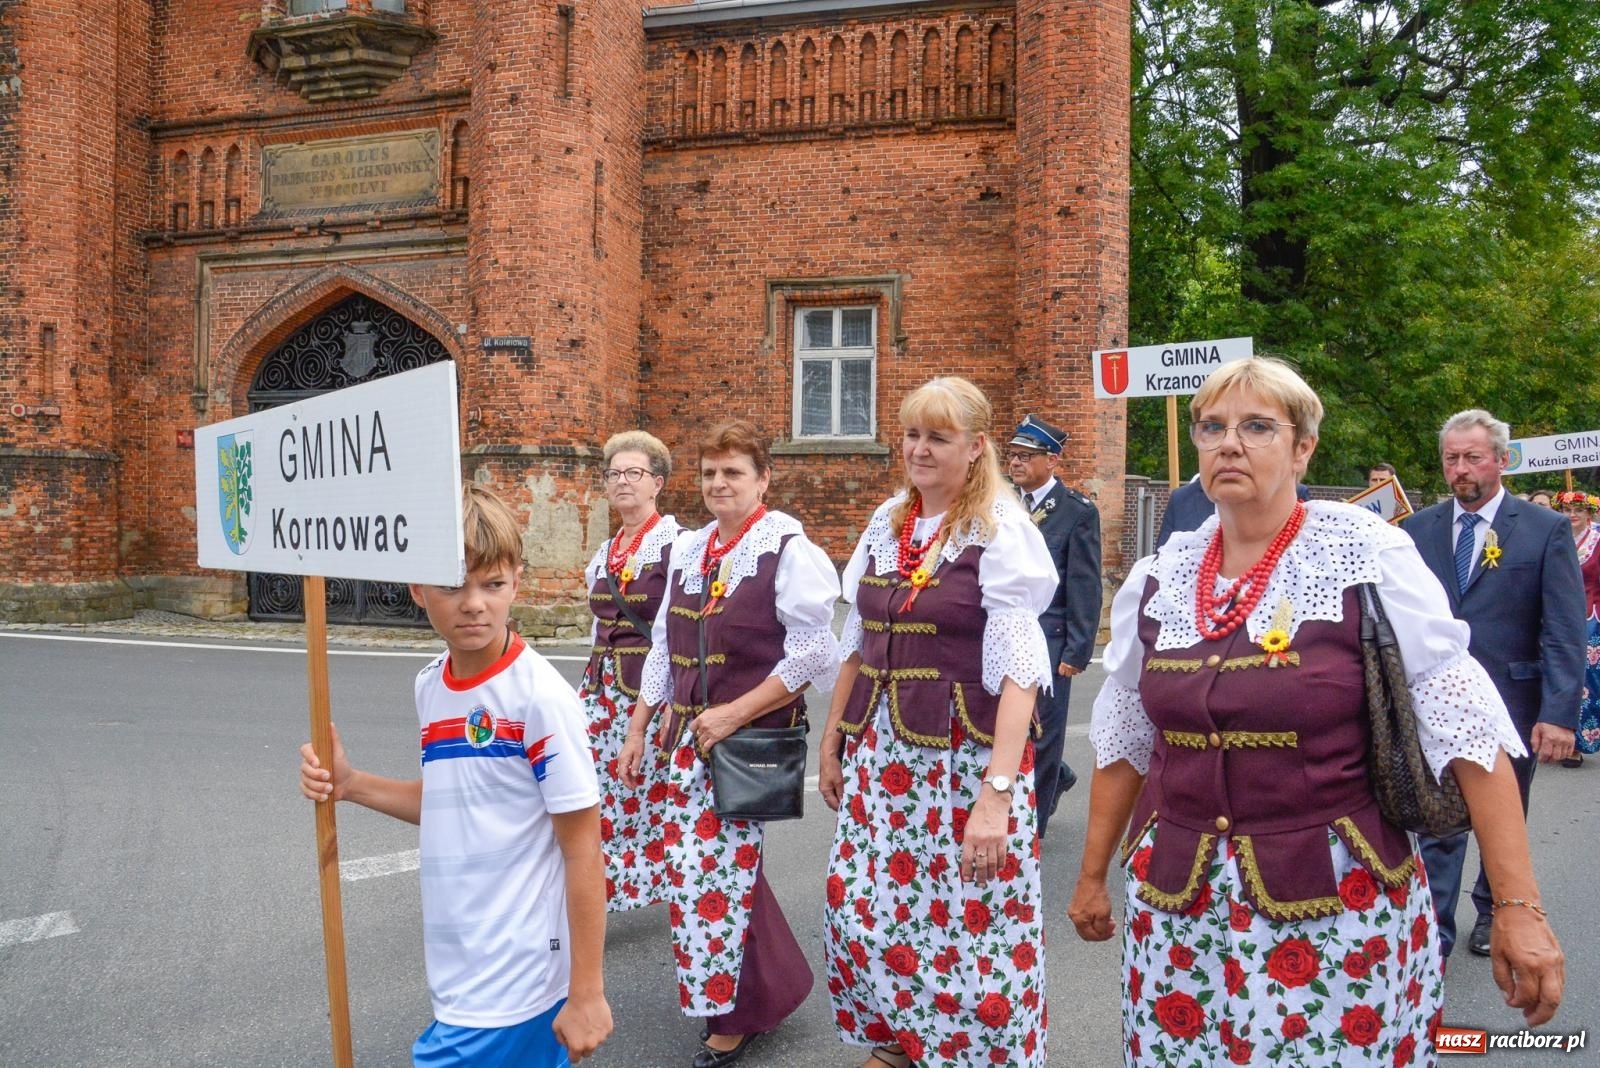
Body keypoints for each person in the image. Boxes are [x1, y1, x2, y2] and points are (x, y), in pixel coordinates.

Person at [1069, 360, 1565, 1067]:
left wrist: (1518, 908)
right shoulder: (1162, 575)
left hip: (1338, 905)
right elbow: (1124, 740)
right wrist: (1090, 878)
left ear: (1303, 448)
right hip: (1181, 910)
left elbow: (1471, 732)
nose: (1229, 444)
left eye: (1258, 427)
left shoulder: (1361, 552)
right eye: (1212, 427)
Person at [299, 484, 612, 1067]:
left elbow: (582, 848)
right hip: (458, 962)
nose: (474, 603)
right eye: (452, 585)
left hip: (516, 975)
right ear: (417, 589)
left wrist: (587, 990)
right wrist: (351, 784)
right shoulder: (431, 684)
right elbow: (454, 803)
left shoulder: (539, 698)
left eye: (492, 585)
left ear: (516, 581)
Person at [821, 377, 1056, 1068]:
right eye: (912, 434)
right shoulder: (888, 520)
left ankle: (980, 1054)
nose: (919, 450)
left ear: (977, 447)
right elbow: (858, 641)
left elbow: (1021, 673)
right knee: (862, 906)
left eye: (938, 437)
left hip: (963, 763)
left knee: (968, 924)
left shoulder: (1000, 531)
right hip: (882, 755)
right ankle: (906, 1036)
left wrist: (998, 794)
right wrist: (834, 738)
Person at [618, 420, 840, 1068]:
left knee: (706, 872)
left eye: (733, 473)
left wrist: (731, 714)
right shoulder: (691, 550)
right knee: (714, 867)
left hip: (744, 743)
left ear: (763, 478)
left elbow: (813, 652)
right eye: (710, 473)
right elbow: (664, 645)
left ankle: (735, 1016)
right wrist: (639, 727)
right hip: (690, 739)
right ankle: (769, 987)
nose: (719, 484)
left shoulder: (787, 549)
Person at [1403, 409, 1584, 959]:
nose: (1461, 470)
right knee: (1437, 816)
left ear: (1502, 461)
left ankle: (1492, 907)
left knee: (1504, 810)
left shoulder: (1544, 529)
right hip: (1433, 704)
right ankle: (1434, 926)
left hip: (1513, 697)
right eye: (1451, 459)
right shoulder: (1416, 531)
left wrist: (1558, 713)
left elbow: (1563, 628)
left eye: (1473, 458)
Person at [579, 431, 680, 910]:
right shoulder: (604, 552)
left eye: (634, 473)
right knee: (591, 793)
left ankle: (637, 884)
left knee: (637, 795)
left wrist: (669, 704)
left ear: (656, 483)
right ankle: (596, 888)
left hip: (647, 694)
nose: (623, 482)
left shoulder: (676, 546)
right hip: (597, 695)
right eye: (615, 474)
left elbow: (676, 634)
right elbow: (598, 627)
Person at [1005, 413, 1102, 836]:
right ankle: (1057, 776)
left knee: (1042, 732)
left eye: (1026, 456)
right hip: (1004, 634)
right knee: (1004, 724)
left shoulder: (1075, 512)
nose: (1016, 463)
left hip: (1049, 638)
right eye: (1012, 456)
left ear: (1052, 461)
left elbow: (1084, 582)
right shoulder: (1002, 504)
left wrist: (1077, 650)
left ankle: (1032, 828)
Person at [1553, 490, 1600, 766]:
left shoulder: (1597, 540)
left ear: (1589, 514)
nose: (1572, 515)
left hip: (1589, 617)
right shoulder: (1553, 536)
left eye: (1578, 511)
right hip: (1553, 616)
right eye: (1567, 510)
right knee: (1554, 675)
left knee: (1585, 681)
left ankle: (1578, 742)